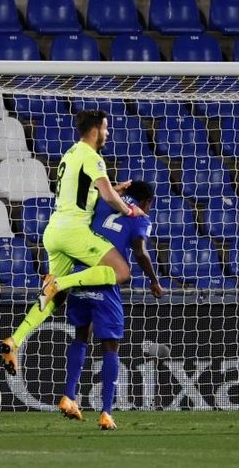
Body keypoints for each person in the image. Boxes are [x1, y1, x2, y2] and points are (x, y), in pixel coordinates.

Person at [0, 110, 146, 376]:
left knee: (54, 297)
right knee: (122, 272)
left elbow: (84, 191)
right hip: (73, 231)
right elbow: (106, 196)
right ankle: (60, 282)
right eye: (106, 128)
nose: (108, 133)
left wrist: (113, 187)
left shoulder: (70, 154)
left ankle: (15, 339)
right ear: (95, 130)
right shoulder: (92, 157)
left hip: (54, 231)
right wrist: (128, 209)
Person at [57, 181, 163, 430]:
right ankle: (105, 412)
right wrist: (154, 281)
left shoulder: (105, 201)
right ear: (147, 202)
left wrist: (117, 189)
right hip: (106, 279)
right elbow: (140, 251)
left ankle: (68, 396)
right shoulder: (140, 217)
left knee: (81, 335)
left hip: (80, 272)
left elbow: (88, 198)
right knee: (110, 346)